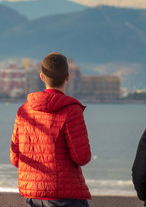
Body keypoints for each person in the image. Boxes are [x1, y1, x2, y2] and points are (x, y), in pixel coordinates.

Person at [10, 52, 92, 207]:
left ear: (42, 77)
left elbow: (15, 158)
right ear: (68, 77)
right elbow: (82, 157)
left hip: (34, 197)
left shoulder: (24, 110)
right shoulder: (71, 110)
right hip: (65, 197)